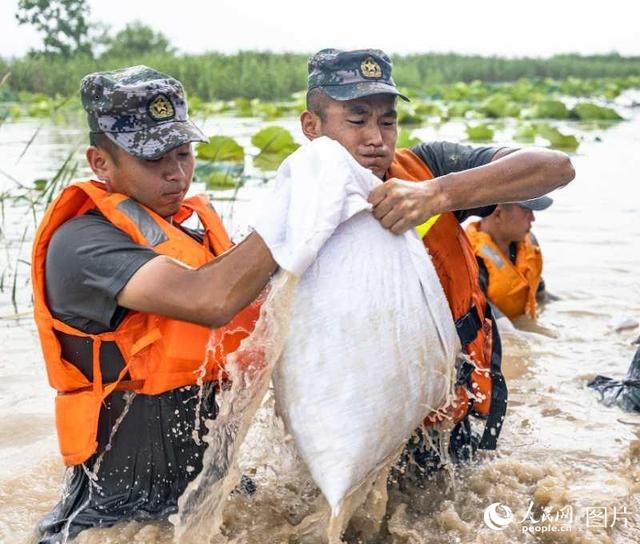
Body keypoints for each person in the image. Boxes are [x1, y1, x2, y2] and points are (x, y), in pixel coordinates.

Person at [300, 48, 575, 480]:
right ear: (311, 126)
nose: (376, 137)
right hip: (362, 418)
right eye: (357, 120)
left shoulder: (426, 168)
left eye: (387, 120)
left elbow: (555, 167)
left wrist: (437, 194)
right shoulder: (293, 209)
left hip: (457, 411)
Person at [32, 65, 277, 543]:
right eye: (153, 159)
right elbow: (209, 299)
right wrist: (295, 216)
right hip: (114, 519)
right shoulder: (82, 244)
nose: (176, 173)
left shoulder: (194, 229)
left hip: (210, 496)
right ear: (100, 163)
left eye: (184, 154)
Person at [465, 196, 555, 321]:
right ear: (498, 214)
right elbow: (480, 312)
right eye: (526, 211)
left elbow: (541, 295)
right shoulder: (470, 257)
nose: (533, 219)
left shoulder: (527, 242)